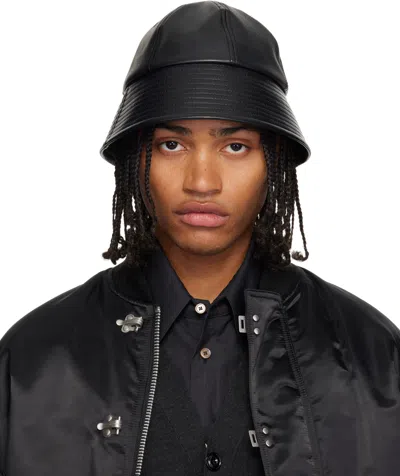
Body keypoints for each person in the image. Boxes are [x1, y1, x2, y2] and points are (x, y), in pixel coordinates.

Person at [1, 2, 399, 475]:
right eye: (172, 144)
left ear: (274, 163)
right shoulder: (33, 361)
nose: (202, 182)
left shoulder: (375, 359)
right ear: (136, 160)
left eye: (236, 146)